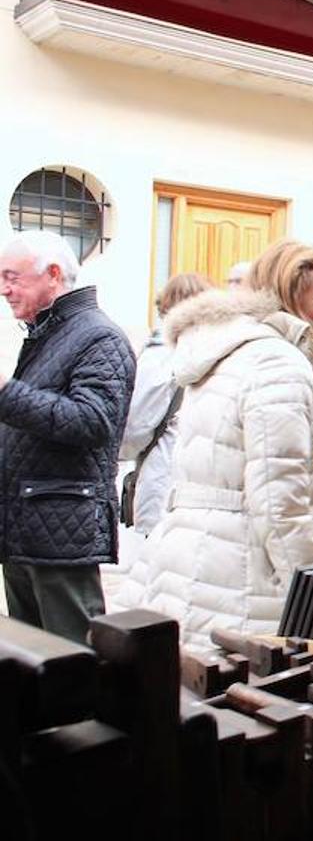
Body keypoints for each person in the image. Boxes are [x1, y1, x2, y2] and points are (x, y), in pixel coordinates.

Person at [121, 240, 313, 649]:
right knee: (238, 699)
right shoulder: (277, 361)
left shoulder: (228, 351)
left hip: (189, 557)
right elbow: (279, 501)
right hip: (242, 572)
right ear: (292, 293)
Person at [0, 230, 136, 642]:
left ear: (53, 275)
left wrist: (6, 392)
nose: (4, 289)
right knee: (28, 661)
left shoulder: (99, 337)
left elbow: (93, 421)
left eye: (12, 277)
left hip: (61, 529)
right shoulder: (48, 333)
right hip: (28, 527)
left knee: (70, 659)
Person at [118, 272, 213, 536]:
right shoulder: (217, 353)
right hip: (202, 491)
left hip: (162, 480)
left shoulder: (160, 355)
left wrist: (122, 453)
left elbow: (135, 426)